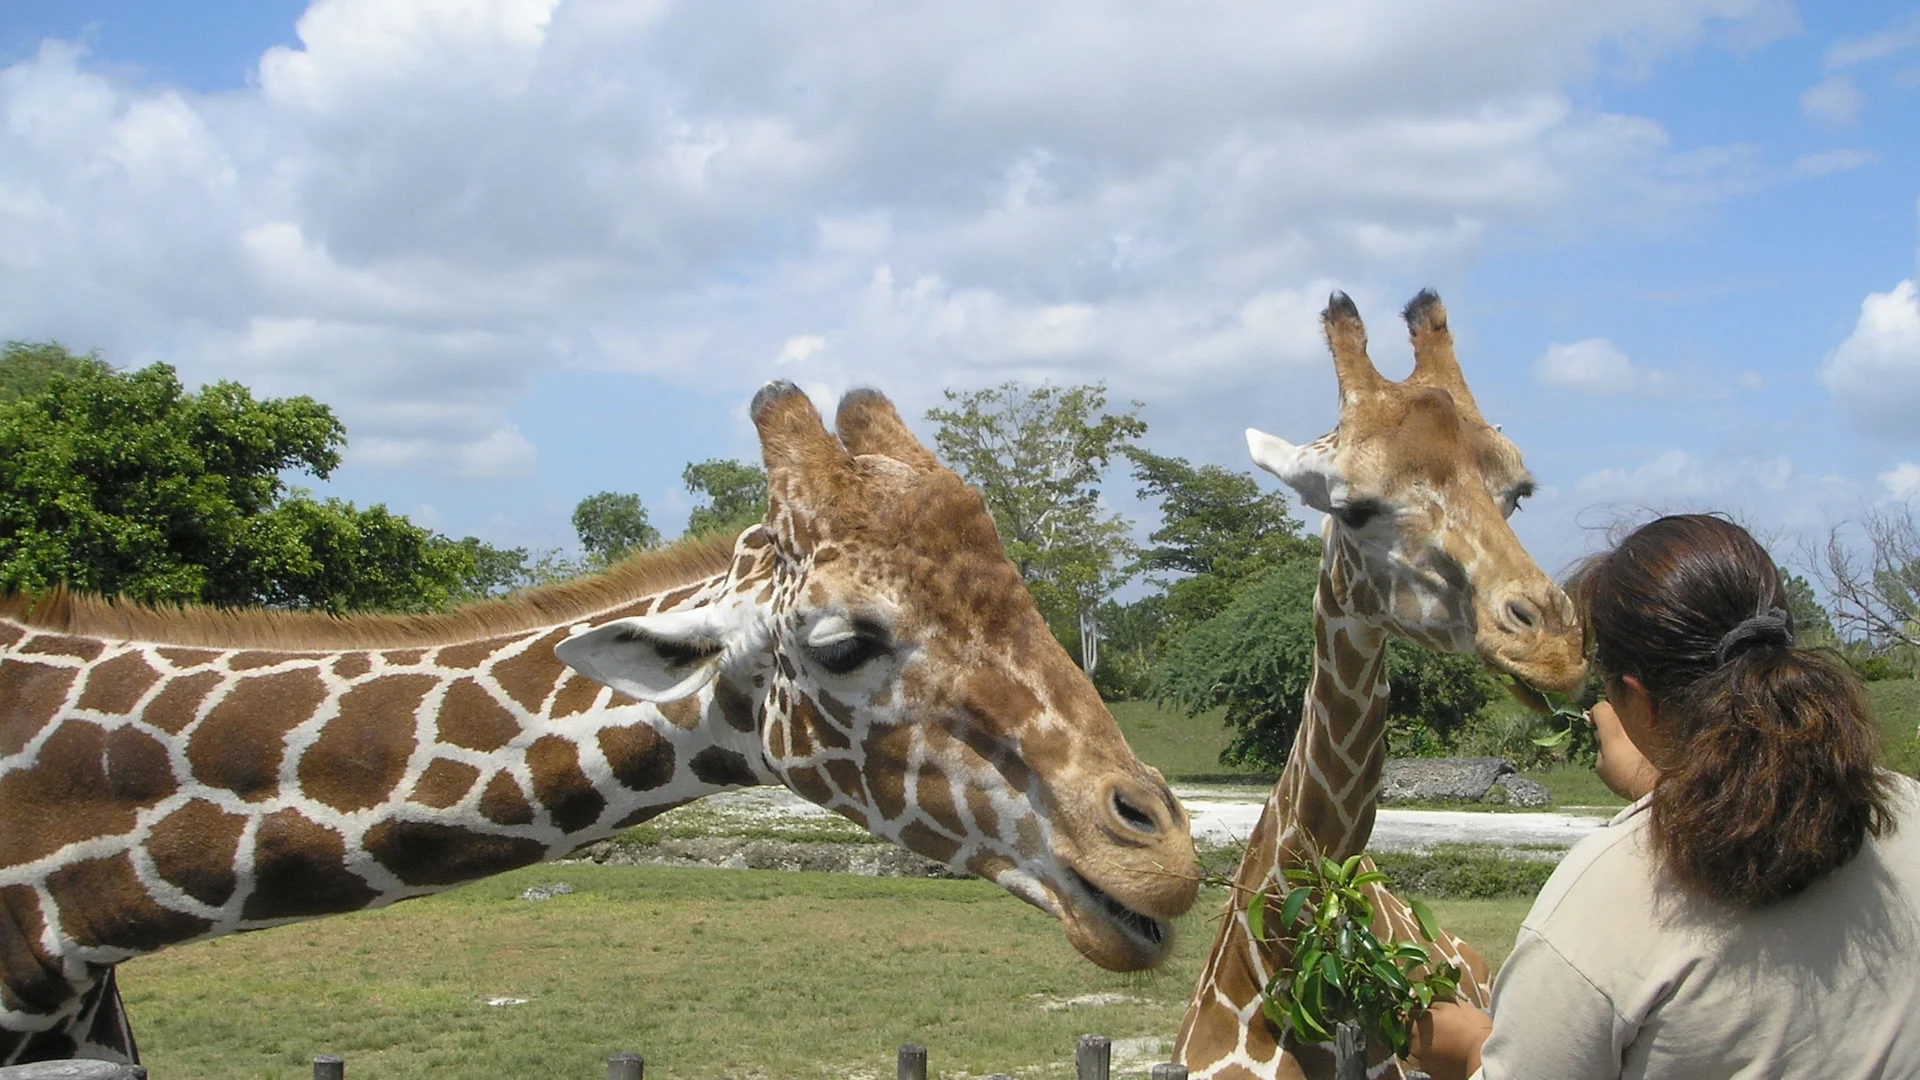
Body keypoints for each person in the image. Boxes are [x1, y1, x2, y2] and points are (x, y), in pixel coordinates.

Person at [1410, 514, 1920, 1079]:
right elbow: (1766, 817)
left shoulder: (1606, 898)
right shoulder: (1906, 811)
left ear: (1637, 699)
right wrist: (1657, 788)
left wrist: (1470, 1047)